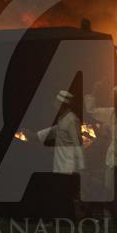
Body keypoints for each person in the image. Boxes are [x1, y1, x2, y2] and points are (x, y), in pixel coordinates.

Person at [86, 84, 117, 216]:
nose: (111, 98)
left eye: (114, 96)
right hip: (111, 159)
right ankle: (111, 219)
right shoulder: (111, 112)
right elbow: (91, 111)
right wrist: (94, 91)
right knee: (109, 189)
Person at [34, 90, 84, 219]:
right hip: (61, 165)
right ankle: (63, 219)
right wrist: (34, 135)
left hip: (69, 166)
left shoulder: (72, 120)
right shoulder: (63, 119)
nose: (54, 105)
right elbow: (54, 131)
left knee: (65, 194)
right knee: (61, 193)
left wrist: (81, 166)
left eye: (56, 103)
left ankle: (66, 220)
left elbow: (77, 143)